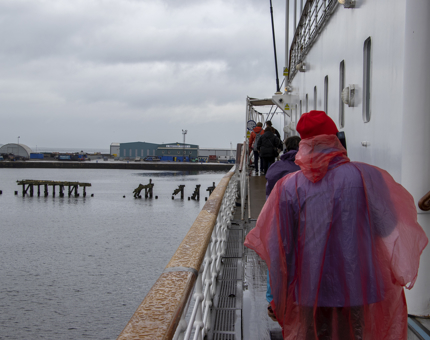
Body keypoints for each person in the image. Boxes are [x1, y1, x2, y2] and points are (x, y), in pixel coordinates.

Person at [245, 110, 428, 339]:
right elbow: (388, 227)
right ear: (335, 138)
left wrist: (278, 296)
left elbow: (280, 247)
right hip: (358, 284)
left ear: (304, 143)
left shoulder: (288, 187)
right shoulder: (366, 177)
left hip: (309, 289)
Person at [264, 135, 301, 322]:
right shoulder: (304, 167)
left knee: (276, 258)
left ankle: (273, 300)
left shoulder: (276, 167)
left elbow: (268, 191)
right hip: (299, 220)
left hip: (277, 217)